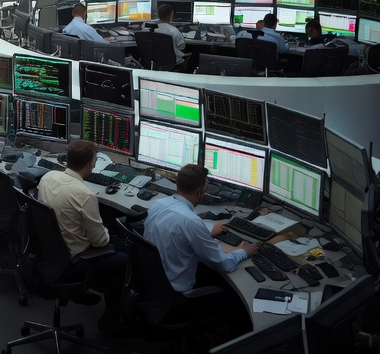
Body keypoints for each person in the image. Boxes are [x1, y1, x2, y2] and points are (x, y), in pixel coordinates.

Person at [37, 140, 130, 336]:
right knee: (124, 258)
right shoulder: (84, 194)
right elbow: (100, 242)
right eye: (94, 162)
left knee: (116, 244)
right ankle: (110, 320)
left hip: (49, 252)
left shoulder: (48, 177)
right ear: (89, 165)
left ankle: (79, 291)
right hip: (73, 261)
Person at [143, 164, 259, 296]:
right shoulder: (191, 222)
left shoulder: (157, 205)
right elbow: (224, 264)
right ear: (199, 192)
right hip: (175, 293)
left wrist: (205, 232)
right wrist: (244, 251)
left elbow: (176, 234)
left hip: (152, 283)